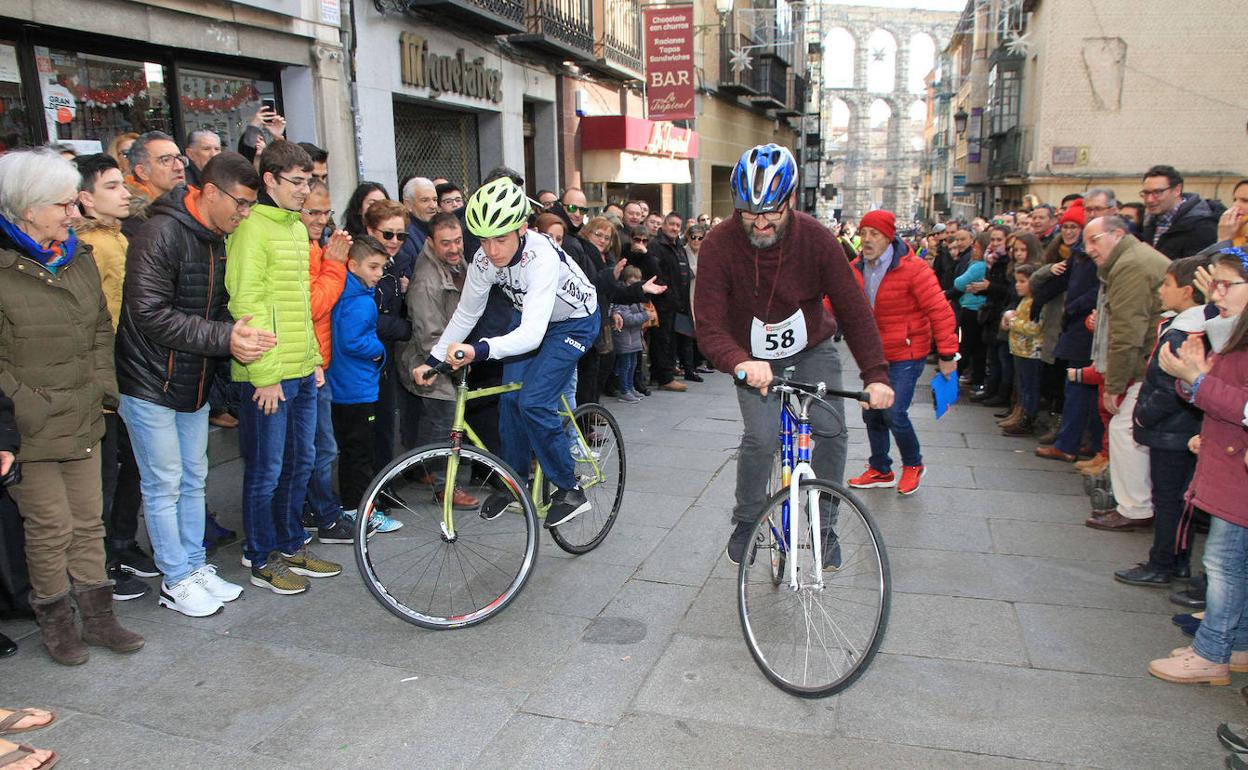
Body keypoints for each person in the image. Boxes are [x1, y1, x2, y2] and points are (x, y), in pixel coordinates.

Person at [693, 144, 892, 564]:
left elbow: (854, 310)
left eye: (771, 213)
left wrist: (876, 374)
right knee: (761, 438)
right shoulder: (718, 245)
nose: (760, 223)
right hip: (750, 356)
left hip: (811, 347)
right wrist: (739, 362)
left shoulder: (817, 239)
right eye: (750, 213)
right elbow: (708, 324)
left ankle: (825, 525)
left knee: (832, 431)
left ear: (791, 202)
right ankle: (747, 519)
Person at [0, 148, 144, 663]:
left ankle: (101, 620)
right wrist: (27, 409)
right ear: (26, 208)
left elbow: (102, 330)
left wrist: (103, 390)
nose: (72, 212)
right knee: (49, 529)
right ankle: (58, 626)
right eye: (62, 204)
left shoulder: (75, 257)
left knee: (88, 521)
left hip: (85, 411)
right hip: (30, 427)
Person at [118, 151, 269, 618]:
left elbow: (209, 307)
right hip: (150, 381)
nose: (243, 214)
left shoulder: (213, 238)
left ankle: (195, 567)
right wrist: (225, 337)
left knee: (193, 479)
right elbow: (148, 313)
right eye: (240, 204)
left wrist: (232, 332)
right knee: (164, 484)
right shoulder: (159, 233)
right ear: (209, 191)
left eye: (248, 207)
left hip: (193, 379)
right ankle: (175, 578)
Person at [414, 177, 600, 528]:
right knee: (509, 401)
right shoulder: (484, 261)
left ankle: (570, 488)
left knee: (533, 401)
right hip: (531, 317)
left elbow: (531, 335)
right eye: (484, 239)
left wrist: (479, 349)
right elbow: (467, 313)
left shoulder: (540, 256)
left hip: (573, 322)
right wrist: (435, 359)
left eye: (500, 238)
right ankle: (516, 481)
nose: (492, 249)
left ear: (522, 228)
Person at [226, 140, 341, 593]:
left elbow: (298, 303)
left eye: (309, 180)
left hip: (300, 367)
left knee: (302, 461)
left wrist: (313, 358)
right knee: (266, 470)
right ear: (269, 179)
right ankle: (260, 556)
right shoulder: (252, 227)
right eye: (296, 181)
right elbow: (246, 302)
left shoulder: (295, 227)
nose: (305, 190)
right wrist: (265, 374)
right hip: (267, 375)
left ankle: (291, 543)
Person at [1148, 247, 1248, 685]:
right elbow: (1215, 389)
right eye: (1213, 285)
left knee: (1224, 565)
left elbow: (1237, 402)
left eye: (1225, 286)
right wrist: (1195, 380)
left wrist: (1197, 380)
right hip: (1227, 463)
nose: (1215, 295)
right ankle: (1238, 644)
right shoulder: (1233, 331)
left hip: (1236, 473)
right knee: (1234, 564)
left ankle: (1212, 653)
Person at [72, 154, 153, 601]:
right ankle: (104, 557)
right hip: (109, 367)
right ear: (84, 198)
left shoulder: (119, 237)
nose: (124, 193)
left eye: (123, 184)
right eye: (111, 186)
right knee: (113, 467)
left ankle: (122, 543)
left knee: (131, 465)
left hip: (128, 362)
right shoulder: (91, 245)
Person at [847, 209, 958, 495]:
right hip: (874, 356)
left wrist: (947, 355)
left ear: (889, 237)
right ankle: (881, 469)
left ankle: (913, 464)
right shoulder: (857, 267)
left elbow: (940, 310)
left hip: (908, 352)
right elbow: (835, 302)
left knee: (894, 412)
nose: (867, 240)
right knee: (872, 412)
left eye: (875, 234)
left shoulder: (914, 269)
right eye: (864, 233)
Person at [1115, 256, 1208, 585]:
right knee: (1176, 498)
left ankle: (1163, 562)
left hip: (1173, 430)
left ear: (1186, 291)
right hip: (1176, 428)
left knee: (1169, 499)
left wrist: (1144, 413)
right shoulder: (1183, 324)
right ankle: (1175, 559)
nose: (1160, 290)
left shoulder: (1185, 332)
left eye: (1166, 284)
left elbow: (1171, 387)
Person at [1082, 215, 1170, 531]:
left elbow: (1127, 332)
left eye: (1094, 240)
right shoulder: (1131, 259)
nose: (1089, 249)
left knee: (1123, 429)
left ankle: (1136, 508)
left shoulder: (1130, 265)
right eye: (1086, 242)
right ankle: (1137, 504)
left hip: (1149, 361)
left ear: (1118, 234)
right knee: (1128, 429)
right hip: (1151, 357)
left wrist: (1115, 385)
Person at [398, 213, 479, 508]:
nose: (455, 248)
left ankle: (420, 470)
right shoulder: (426, 281)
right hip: (429, 360)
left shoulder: (457, 264)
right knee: (446, 422)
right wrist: (451, 364)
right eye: (446, 243)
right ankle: (446, 487)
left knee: (435, 422)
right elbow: (429, 335)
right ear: (431, 243)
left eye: (458, 240)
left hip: (450, 355)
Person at [297, 180, 361, 545]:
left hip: (319, 360)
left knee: (322, 448)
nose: (322, 220)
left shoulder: (316, 245)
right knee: (316, 450)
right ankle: (321, 515)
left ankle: (319, 511)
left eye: (326, 212)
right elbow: (313, 304)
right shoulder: (304, 249)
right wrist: (335, 266)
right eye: (314, 212)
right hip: (306, 363)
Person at [329, 237, 397, 536]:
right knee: (359, 452)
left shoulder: (344, 293)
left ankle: (355, 508)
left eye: (382, 267)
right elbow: (353, 341)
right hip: (356, 387)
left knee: (353, 451)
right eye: (373, 267)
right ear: (353, 265)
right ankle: (359, 511)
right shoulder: (359, 302)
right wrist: (379, 350)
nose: (378, 273)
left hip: (346, 385)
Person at [1032, 200, 1102, 462]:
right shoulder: (1079, 252)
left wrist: (1073, 307)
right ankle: (1079, 442)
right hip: (1074, 325)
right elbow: (1054, 282)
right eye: (1067, 226)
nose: (1071, 231)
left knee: (1079, 386)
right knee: (1077, 386)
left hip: (1086, 326)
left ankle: (1072, 444)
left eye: (1076, 225)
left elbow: (1099, 290)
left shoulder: (1094, 252)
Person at [363, 199, 415, 482]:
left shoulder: (398, 261)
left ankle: (383, 487)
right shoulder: (360, 262)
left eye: (401, 235)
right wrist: (407, 328)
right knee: (367, 430)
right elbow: (368, 317)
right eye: (388, 234)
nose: (395, 241)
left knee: (385, 423)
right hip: (364, 356)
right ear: (370, 230)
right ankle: (370, 496)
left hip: (386, 353)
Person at [1139, 165, 1221, 259]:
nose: (1149, 200)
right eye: (1146, 193)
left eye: (1157, 192)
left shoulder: (1201, 225)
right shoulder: (1149, 221)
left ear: (1177, 190)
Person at [1002, 264, 1045, 435]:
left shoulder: (1036, 302)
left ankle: (1027, 419)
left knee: (1030, 387)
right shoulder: (1025, 301)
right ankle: (1020, 415)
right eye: (1016, 281)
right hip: (1020, 350)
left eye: (1022, 281)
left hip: (1031, 352)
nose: (1018, 285)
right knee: (1022, 385)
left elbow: (1035, 327)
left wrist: (1011, 321)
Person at [122, 131, 187, 238]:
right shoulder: (135, 224)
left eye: (179, 158)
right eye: (166, 160)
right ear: (142, 172)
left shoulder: (189, 205)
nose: (179, 167)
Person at [953, 231, 991, 395]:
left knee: (965, 347)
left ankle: (954, 376)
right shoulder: (983, 265)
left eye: (976, 247)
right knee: (978, 349)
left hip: (971, 310)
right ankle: (977, 381)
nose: (973, 250)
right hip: (978, 310)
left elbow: (959, 282)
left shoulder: (978, 266)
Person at [610, 266, 649, 403]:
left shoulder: (636, 297)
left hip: (633, 338)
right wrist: (645, 315)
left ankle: (630, 387)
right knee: (625, 365)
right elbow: (627, 319)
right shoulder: (623, 296)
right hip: (625, 338)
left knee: (632, 364)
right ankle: (624, 390)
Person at [398, 176, 439, 260]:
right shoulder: (406, 236)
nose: (433, 206)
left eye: (435, 200)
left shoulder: (435, 227)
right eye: (425, 200)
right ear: (408, 204)